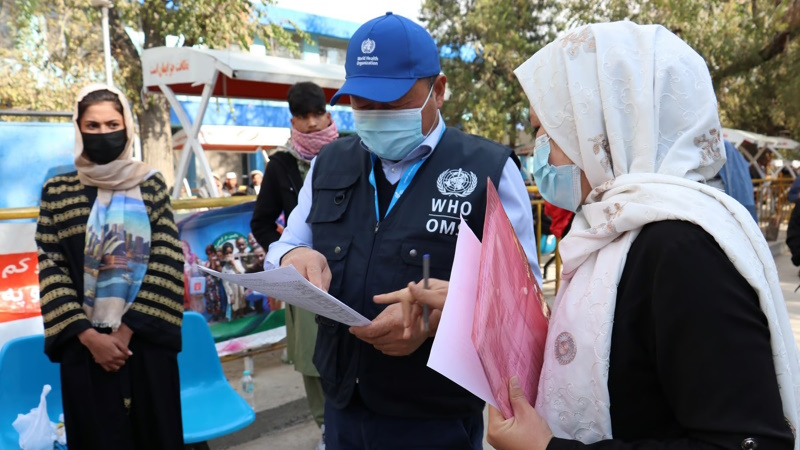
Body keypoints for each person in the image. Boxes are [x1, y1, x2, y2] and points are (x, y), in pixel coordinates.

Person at [486, 22, 800, 449]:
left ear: (603, 128)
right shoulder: (613, 229)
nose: (538, 151)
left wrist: (549, 449)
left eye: (546, 130)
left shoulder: (681, 250)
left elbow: (748, 441)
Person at [264, 12, 541, 449]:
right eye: (362, 105)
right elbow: (287, 245)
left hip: (434, 415)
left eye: (392, 103)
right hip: (343, 403)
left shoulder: (488, 169)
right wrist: (291, 257)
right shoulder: (329, 164)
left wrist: (436, 320)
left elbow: (522, 298)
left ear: (439, 90)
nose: (376, 117)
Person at [36, 84, 184, 449]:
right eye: (93, 126)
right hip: (85, 348)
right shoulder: (58, 191)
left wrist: (125, 333)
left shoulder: (150, 185)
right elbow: (52, 267)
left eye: (112, 124)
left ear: (127, 127)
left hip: (145, 342)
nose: (104, 133)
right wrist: (90, 337)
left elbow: (167, 259)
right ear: (78, 128)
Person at [251, 81, 339, 441]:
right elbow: (261, 221)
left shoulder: (354, 150)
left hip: (349, 266)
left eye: (318, 113)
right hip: (304, 277)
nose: (313, 123)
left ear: (329, 114)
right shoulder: (280, 164)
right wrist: (287, 255)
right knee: (311, 356)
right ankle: (326, 428)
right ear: (293, 121)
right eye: (303, 116)